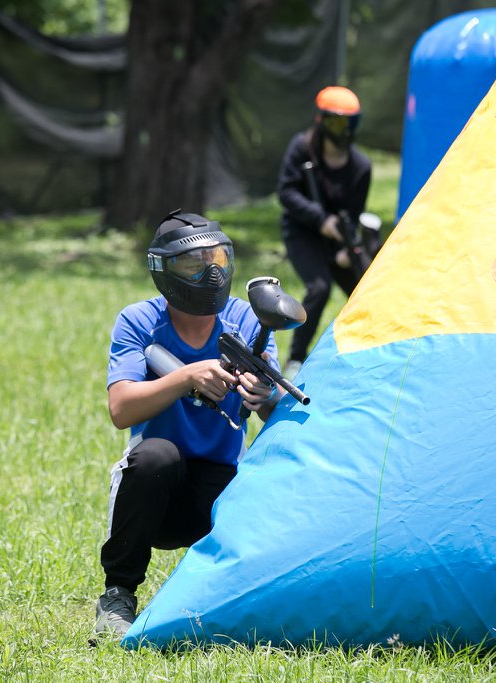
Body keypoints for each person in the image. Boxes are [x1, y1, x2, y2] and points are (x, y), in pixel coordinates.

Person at [95, 210, 283, 636]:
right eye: (193, 265)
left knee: (257, 484)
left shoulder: (248, 320)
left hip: (223, 489)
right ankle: (117, 597)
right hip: (156, 492)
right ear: (164, 270)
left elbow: (274, 415)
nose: (210, 275)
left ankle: (223, 603)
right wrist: (185, 377)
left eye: (216, 260)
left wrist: (264, 395)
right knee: (153, 457)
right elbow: (121, 408)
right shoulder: (140, 321)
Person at [277, 86, 373, 378]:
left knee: (366, 289)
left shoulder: (361, 167)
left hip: (339, 241)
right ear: (320, 121)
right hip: (301, 232)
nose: (342, 130)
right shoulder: (301, 148)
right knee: (319, 288)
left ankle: (369, 349)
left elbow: (354, 215)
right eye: (336, 123)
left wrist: (346, 250)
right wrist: (321, 220)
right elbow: (287, 193)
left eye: (349, 123)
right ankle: (295, 359)